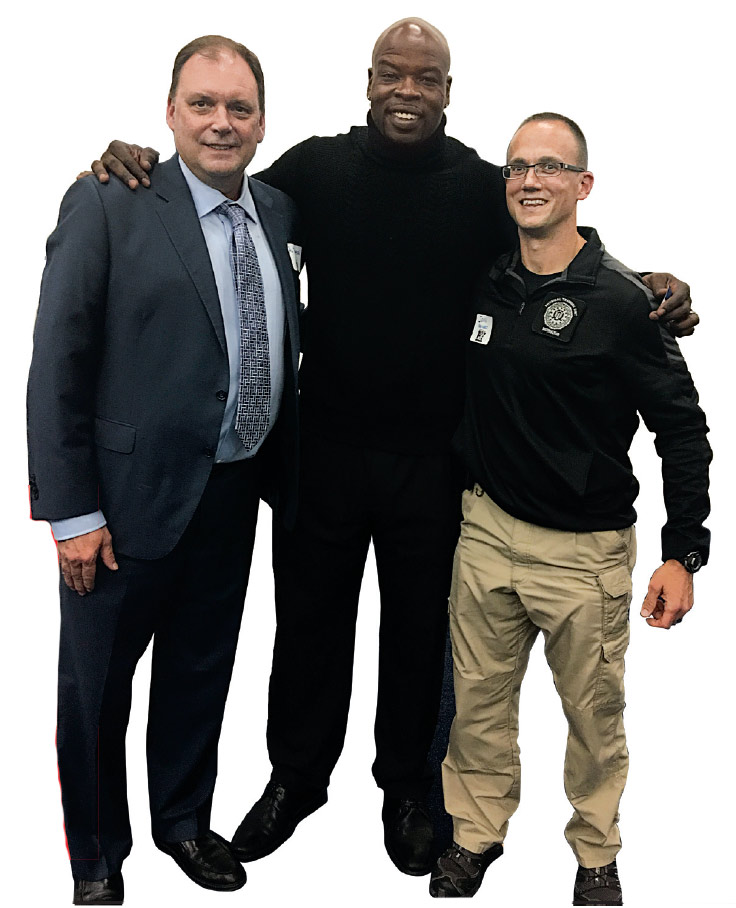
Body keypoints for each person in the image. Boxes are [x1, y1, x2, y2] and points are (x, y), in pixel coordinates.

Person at [85, 19, 697, 878]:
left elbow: (555, 246)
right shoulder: (315, 169)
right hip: (322, 454)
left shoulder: (486, 187)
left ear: (450, 90)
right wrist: (131, 160)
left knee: (418, 639)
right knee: (306, 631)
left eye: (428, 78)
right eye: (393, 75)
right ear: (368, 79)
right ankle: (296, 780)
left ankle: (408, 789)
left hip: (437, 466)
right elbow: (216, 193)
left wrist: (654, 284)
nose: (408, 91)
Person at [27, 35, 301, 905]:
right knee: (97, 693)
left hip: (231, 494)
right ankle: (97, 860)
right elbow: (57, 363)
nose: (222, 122)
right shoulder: (110, 200)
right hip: (121, 506)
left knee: (198, 672)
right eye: (203, 104)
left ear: (262, 120)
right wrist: (71, 514)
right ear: (170, 111)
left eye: (240, 107)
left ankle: (182, 821)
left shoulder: (283, 212)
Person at [428, 113, 711, 904]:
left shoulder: (626, 304)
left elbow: (682, 430)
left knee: (593, 719)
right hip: (485, 533)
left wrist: (682, 553)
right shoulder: (489, 280)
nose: (530, 179)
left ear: (583, 186)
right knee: (478, 708)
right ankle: (476, 836)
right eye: (518, 166)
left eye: (551, 166)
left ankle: (596, 853)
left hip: (583, 554)